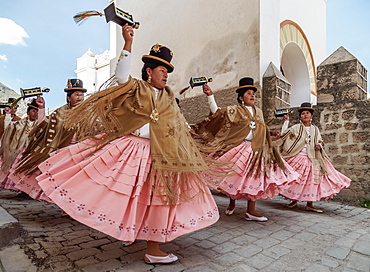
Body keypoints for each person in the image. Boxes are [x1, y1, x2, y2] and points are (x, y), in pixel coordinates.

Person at [35, 24, 219, 264]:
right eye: (162, 70)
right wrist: (128, 42)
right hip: (134, 150)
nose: (166, 75)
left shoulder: (170, 96)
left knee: (155, 198)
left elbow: (178, 122)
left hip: (162, 153)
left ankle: (151, 245)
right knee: (132, 196)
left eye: (168, 72)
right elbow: (121, 76)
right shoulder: (136, 88)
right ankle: (142, 240)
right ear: (149, 72)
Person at [193, 78, 298, 221]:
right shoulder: (235, 110)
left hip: (256, 150)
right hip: (239, 147)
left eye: (253, 93)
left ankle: (251, 211)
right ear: (241, 97)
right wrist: (210, 95)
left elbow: (261, 128)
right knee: (234, 176)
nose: (252, 95)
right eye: (248, 93)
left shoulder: (259, 111)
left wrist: (270, 133)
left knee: (253, 179)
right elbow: (218, 113)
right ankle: (231, 203)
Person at [9, 79, 86, 201]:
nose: (80, 98)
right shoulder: (60, 113)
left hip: (83, 151)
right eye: (76, 95)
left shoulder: (88, 112)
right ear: (68, 98)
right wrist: (41, 108)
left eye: (81, 95)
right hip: (63, 151)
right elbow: (45, 125)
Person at [276, 102, 351, 212]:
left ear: (312, 116)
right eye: (303, 113)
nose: (305, 115)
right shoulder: (295, 128)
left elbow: (320, 141)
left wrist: (319, 145)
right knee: (296, 180)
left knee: (312, 181)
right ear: (300, 116)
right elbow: (284, 135)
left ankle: (309, 204)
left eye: (307, 113)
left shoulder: (315, 129)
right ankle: (294, 200)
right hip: (298, 157)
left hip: (312, 158)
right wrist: (286, 122)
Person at [0, 97, 44, 190]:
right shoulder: (20, 123)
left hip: (34, 151)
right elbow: (8, 127)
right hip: (20, 150)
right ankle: (18, 188)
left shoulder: (41, 124)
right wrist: (8, 115)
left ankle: (28, 190)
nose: (35, 113)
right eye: (33, 111)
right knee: (16, 168)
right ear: (28, 112)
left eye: (37, 111)